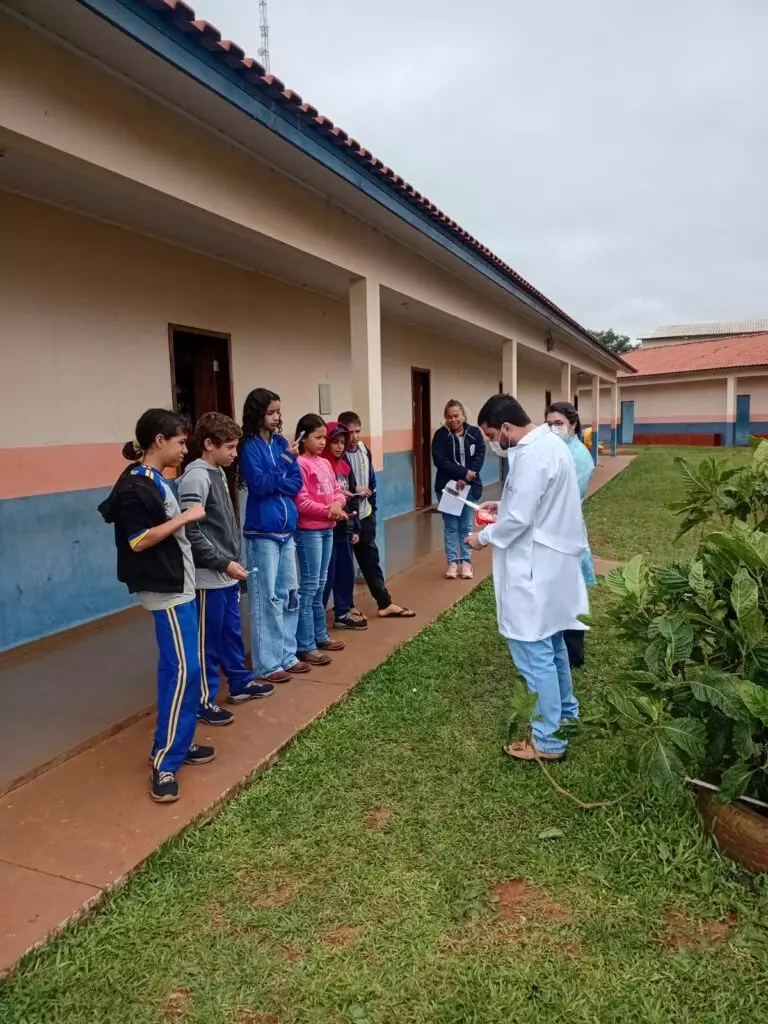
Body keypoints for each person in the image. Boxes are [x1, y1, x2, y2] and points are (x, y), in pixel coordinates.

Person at [98, 409, 216, 803]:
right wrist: (186, 517)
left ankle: (177, 745)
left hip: (177, 585)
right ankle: (164, 762)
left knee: (176, 668)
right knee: (186, 669)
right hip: (165, 592)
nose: (185, 449)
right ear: (159, 441)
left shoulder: (153, 479)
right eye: (181, 442)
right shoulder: (134, 486)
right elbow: (138, 540)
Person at [465, 394, 588, 763]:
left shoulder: (531, 454)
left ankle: (548, 741)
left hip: (534, 567)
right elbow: (533, 504)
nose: (491, 442)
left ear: (505, 428)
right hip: (552, 565)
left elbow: (519, 521)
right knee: (553, 647)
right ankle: (566, 714)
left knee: (534, 653)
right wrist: (502, 506)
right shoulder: (552, 443)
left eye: (490, 435)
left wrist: (482, 538)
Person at [178, 413, 275, 726]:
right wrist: (222, 562)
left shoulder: (217, 471)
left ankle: (240, 682)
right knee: (208, 640)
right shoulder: (196, 476)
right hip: (209, 577)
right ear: (208, 444)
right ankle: (204, 700)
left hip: (226, 574)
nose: (235, 453)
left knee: (230, 632)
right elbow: (191, 531)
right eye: (230, 447)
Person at [239, 388, 307, 685]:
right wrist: (283, 463)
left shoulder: (282, 443)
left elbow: (295, 482)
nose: (277, 417)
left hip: (286, 531)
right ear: (257, 414)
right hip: (262, 533)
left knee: (291, 593)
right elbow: (259, 484)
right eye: (271, 412)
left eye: (278, 411)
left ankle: (287, 655)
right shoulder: (249, 447)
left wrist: (281, 471)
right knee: (267, 597)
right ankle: (266, 663)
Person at [337, 411, 414, 619]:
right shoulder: (337, 455)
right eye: (349, 432)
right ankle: (345, 608)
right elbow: (338, 487)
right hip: (345, 518)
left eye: (357, 431)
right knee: (345, 567)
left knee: (371, 560)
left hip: (365, 515)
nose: (353, 437)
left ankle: (384, 603)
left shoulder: (364, 449)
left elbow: (371, 481)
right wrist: (355, 489)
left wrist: (372, 508)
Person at [546, 402, 597, 670]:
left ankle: (573, 655)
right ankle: (562, 648)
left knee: (571, 594)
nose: (553, 428)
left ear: (572, 425)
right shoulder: (560, 450)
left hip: (566, 530)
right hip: (557, 530)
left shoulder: (577, 456)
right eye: (549, 423)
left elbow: (564, 497)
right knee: (562, 593)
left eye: (558, 423)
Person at [294, 414, 347, 665]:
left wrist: (337, 503)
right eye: (317, 437)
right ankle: (305, 644)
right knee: (309, 585)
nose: (322, 442)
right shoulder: (301, 464)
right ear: (303, 438)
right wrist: (330, 510)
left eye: (324, 437)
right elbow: (301, 501)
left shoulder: (324, 464)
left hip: (327, 528)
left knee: (321, 583)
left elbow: (337, 491)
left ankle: (319, 635)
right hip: (310, 531)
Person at [431, 399, 486, 580]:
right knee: (451, 526)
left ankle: (466, 562)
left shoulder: (474, 433)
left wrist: (470, 475)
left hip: (469, 487)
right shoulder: (440, 435)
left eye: (456, 416)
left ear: (463, 415)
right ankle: (453, 562)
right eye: (449, 417)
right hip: (448, 488)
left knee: (465, 525)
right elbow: (440, 461)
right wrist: (463, 473)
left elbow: (480, 454)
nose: (453, 420)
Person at [321, 421, 367, 631]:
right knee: (326, 576)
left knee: (345, 572)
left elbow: (354, 500)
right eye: (335, 442)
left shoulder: (345, 466)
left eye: (342, 442)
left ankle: (342, 611)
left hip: (344, 530)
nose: (339, 447)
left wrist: (355, 527)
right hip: (326, 529)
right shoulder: (322, 465)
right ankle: (316, 617)